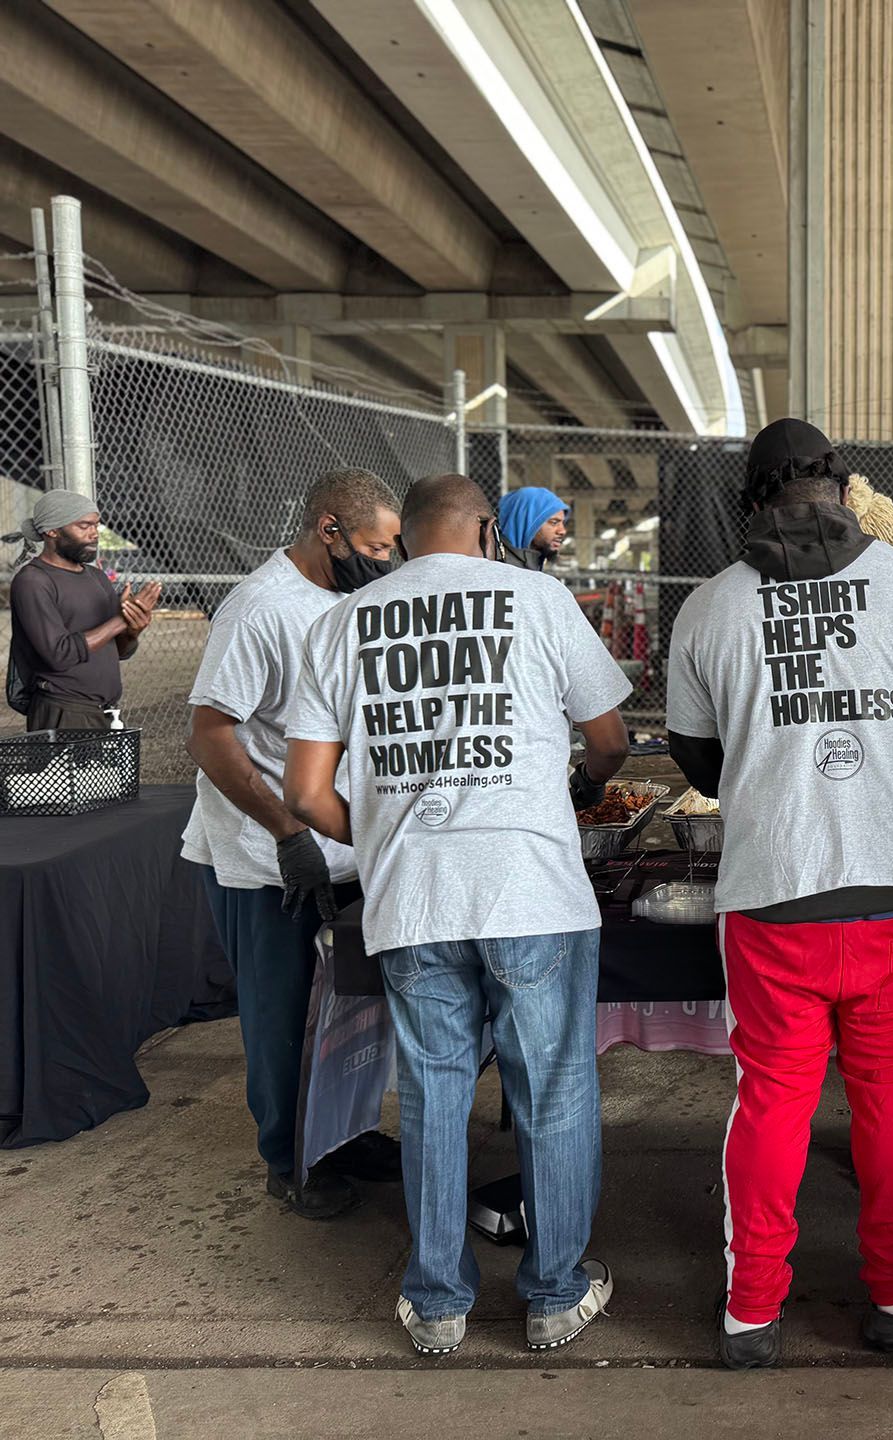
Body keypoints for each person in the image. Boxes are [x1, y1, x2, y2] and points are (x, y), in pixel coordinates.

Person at [284, 474, 632, 1358]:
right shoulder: (540, 598)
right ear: (486, 529)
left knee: (436, 1093)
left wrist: (387, 841)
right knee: (551, 1086)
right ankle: (555, 1294)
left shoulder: (342, 622)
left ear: (407, 540)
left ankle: (438, 1303)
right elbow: (611, 739)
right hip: (533, 889)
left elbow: (305, 791)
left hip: (413, 898)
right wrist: (578, 783)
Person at [666, 419, 893, 1370]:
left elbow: (698, 761)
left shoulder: (709, 607)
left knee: (771, 1104)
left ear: (752, 500)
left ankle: (752, 1309)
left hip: (773, 895)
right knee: (891, 1102)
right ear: (844, 488)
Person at [181, 468, 402, 1220]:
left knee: (352, 1011)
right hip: (266, 852)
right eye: (375, 545)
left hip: (342, 843)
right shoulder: (258, 609)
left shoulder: (348, 599)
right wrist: (287, 833)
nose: (385, 559)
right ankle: (287, 1157)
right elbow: (210, 735)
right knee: (281, 1017)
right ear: (328, 529)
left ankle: (347, 1134)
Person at [5, 489, 161, 731]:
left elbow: (117, 650)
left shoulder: (97, 577)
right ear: (52, 531)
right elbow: (59, 654)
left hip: (106, 711)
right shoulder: (33, 581)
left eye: (96, 525)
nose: (94, 534)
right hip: (63, 711)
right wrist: (120, 620)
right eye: (84, 526)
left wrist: (132, 629)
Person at [497, 486, 569, 572]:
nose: (562, 531)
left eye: (563, 523)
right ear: (527, 522)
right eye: (554, 522)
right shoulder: (497, 567)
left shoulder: (533, 565)